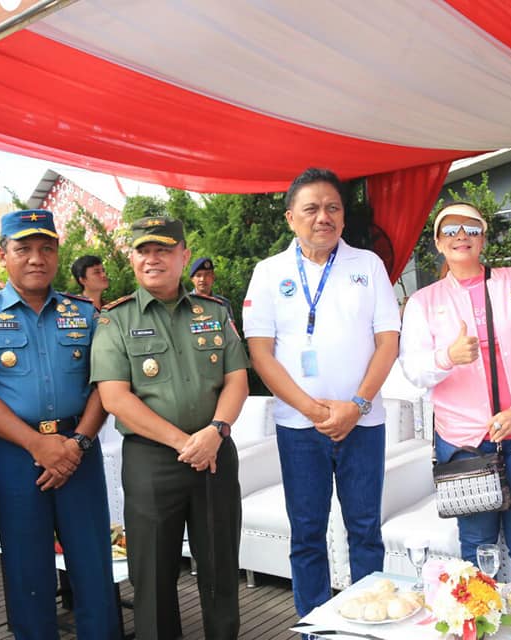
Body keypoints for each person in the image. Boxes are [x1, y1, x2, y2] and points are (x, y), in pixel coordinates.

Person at [0, 210, 119, 640]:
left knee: (94, 562)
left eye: (46, 248)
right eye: (23, 248)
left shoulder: (83, 312)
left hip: (78, 449)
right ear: (2, 254)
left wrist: (78, 441)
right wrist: (36, 445)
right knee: (27, 568)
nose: (35, 258)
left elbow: (106, 382)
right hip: (14, 455)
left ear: (57, 254)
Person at [243, 167, 399, 616]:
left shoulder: (368, 266)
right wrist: (313, 409)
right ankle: (314, 624)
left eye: (332, 208)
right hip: (299, 427)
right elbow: (261, 354)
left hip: (364, 424)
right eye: (311, 208)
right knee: (307, 533)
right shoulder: (269, 272)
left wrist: (357, 406)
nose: (323, 217)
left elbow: (388, 342)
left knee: (366, 530)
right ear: (291, 217)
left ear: (343, 218)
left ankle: (371, 621)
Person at [91, 216, 249, 640]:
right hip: (152, 459)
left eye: (163, 249)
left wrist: (215, 431)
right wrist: (186, 442)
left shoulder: (214, 312)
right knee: (154, 575)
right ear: (132, 258)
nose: (153, 258)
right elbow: (114, 397)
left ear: (183, 255)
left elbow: (237, 378)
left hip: (215, 451)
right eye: (144, 250)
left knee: (219, 567)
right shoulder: (115, 320)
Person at [399, 203, 511, 592]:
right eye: (449, 229)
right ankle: (479, 627)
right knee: (476, 545)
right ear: (438, 243)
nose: (460, 235)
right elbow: (414, 369)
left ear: (483, 237)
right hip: (463, 443)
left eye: (470, 228)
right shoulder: (424, 301)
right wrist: (447, 357)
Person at [189, 256, 235, 321]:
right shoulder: (185, 303)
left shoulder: (223, 304)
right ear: (192, 279)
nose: (202, 279)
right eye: (198, 275)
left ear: (213, 277)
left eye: (207, 275)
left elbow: (230, 329)